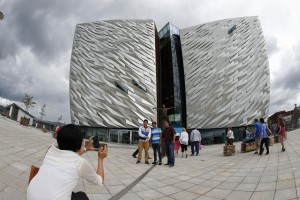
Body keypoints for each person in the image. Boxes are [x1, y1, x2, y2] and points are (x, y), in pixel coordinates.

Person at [27, 124, 107, 200]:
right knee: (81, 196)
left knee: (70, 193)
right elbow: (100, 181)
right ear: (80, 144)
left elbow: (68, 154)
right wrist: (100, 158)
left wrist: (85, 149)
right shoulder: (80, 163)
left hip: (31, 196)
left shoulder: (50, 149)